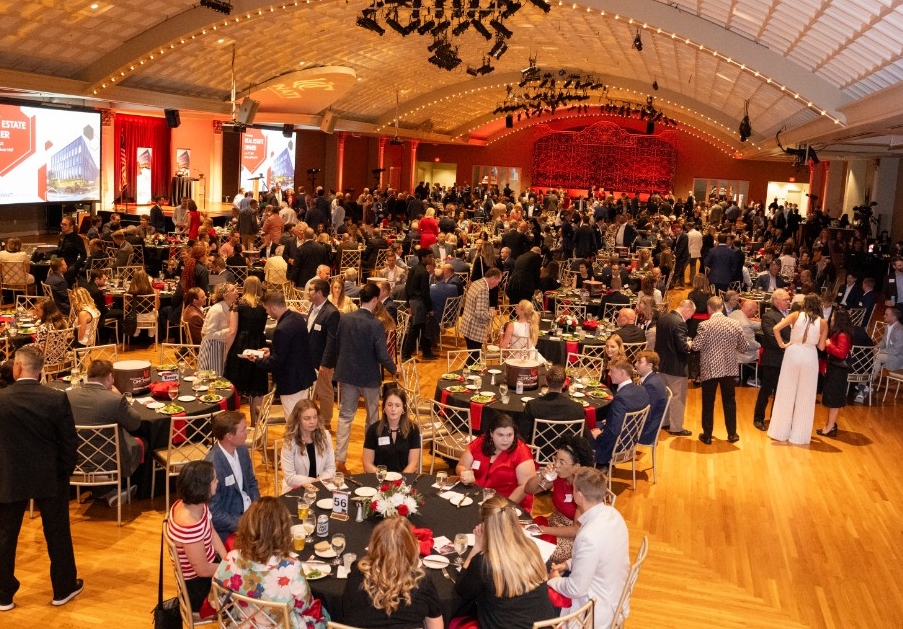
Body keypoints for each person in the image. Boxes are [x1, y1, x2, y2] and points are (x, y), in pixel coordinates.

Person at [0, 346, 81, 610]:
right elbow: (69, 442)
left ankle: (3, 595)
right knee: (57, 534)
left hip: (10, 476)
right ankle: (63, 588)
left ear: (17, 368)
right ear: (40, 370)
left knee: (5, 536)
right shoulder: (56, 399)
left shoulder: (2, 399)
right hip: (51, 476)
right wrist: (65, 473)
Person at [214, 497, 329, 629]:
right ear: (282, 532)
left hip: (242, 625)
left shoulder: (229, 560)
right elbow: (304, 607)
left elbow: (215, 602)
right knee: (325, 616)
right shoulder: (290, 568)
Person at [322, 282, 397, 473]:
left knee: (345, 417)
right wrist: (394, 369)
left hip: (347, 374)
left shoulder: (345, 318)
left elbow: (337, 343)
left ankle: (339, 460)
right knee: (372, 419)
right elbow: (382, 354)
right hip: (369, 377)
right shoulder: (375, 324)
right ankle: (370, 461)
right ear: (374, 300)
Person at [455, 495, 555, 629]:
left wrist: (477, 548)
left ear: (486, 527)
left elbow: (463, 590)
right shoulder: (531, 547)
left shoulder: (485, 562)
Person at [547, 467, 630, 629]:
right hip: (616, 593)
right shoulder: (614, 514)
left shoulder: (587, 536)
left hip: (594, 610)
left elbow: (576, 589)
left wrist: (554, 580)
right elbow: (599, 555)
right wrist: (568, 564)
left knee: (538, 600)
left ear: (579, 496)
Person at [339, 517, 443, 629]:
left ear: (373, 544)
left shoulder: (357, 570)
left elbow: (347, 613)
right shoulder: (422, 581)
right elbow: (436, 626)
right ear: (411, 547)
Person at [66, 359, 143, 503]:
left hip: (74, 459)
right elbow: (135, 424)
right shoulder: (115, 400)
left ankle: (104, 491)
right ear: (109, 378)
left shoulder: (68, 396)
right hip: (108, 462)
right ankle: (117, 489)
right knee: (140, 443)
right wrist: (120, 395)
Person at [523, 434, 595, 563]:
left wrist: (544, 530)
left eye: (562, 462)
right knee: (522, 537)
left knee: (536, 550)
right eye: (555, 459)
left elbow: (575, 530)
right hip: (554, 521)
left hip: (575, 536)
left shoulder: (582, 488)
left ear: (576, 467)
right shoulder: (559, 477)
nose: (556, 465)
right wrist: (542, 476)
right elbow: (528, 489)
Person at [166, 460, 226, 614]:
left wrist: (227, 558)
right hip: (198, 588)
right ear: (202, 487)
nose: (217, 481)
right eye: (213, 480)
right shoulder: (189, 524)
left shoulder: (194, 504)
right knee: (250, 589)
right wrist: (233, 568)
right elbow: (203, 570)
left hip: (209, 569)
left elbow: (211, 531)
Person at [767, 294, 828, 445]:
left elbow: (776, 328)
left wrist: (782, 344)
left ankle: (779, 432)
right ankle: (799, 436)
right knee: (806, 396)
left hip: (793, 352)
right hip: (809, 356)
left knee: (785, 392)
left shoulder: (795, 315)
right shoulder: (823, 322)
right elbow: (821, 347)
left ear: (804, 304)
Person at [246, 291, 317, 418]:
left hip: (291, 381)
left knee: (292, 419)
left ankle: (295, 439)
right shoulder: (296, 317)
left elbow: (275, 361)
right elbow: (292, 347)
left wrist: (256, 360)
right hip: (303, 376)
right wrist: (271, 350)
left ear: (273, 307)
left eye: (267, 309)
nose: (267, 313)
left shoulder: (282, 328)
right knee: (300, 417)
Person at [693, 296, 749, 445]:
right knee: (730, 401)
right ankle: (732, 434)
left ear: (709, 309)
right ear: (722, 308)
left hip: (710, 369)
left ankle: (707, 435)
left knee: (708, 402)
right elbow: (744, 346)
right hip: (729, 368)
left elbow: (696, 346)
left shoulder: (705, 325)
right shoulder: (734, 324)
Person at [456, 414, 537, 511]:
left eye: (509, 435)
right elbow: (461, 466)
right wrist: (464, 473)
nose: (505, 440)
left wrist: (503, 508)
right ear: (491, 433)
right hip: (476, 498)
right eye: (500, 435)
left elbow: (525, 486)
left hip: (509, 504)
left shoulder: (521, 452)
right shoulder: (480, 443)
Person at [204, 411, 260, 543]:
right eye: (243, 429)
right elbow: (215, 513)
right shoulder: (213, 466)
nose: (248, 432)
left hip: (251, 514)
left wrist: (257, 508)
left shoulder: (241, 450)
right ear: (229, 436)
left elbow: (251, 482)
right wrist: (244, 524)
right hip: (231, 527)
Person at [590, 360, 649, 465]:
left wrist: (599, 436)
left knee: (583, 432)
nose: (609, 374)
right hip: (631, 440)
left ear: (622, 373)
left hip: (617, 445)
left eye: (612, 371)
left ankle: (591, 471)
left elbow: (614, 431)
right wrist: (610, 420)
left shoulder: (620, 398)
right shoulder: (642, 390)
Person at [753, 289, 792, 431]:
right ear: (776, 301)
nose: (789, 301)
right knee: (766, 390)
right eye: (786, 299)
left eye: (789, 299)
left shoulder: (791, 315)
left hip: (788, 359)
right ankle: (758, 418)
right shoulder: (769, 316)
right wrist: (789, 345)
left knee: (783, 391)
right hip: (774, 359)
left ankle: (778, 418)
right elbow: (771, 337)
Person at [304, 279, 340, 430]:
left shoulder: (332, 313)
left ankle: (326, 421)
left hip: (322, 362)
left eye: (311, 289)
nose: (308, 292)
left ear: (319, 293)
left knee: (325, 391)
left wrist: (325, 364)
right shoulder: (313, 306)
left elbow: (332, 341)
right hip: (309, 359)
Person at [280, 399, 335, 493]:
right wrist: (313, 482)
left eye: (315, 417)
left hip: (322, 486)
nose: (312, 422)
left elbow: (331, 468)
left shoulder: (325, 436)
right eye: (307, 418)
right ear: (298, 420)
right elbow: (290, 478)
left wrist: (319, 482)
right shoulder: (289, 441)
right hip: (297, 489)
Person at [362, 386, 420, 474]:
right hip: (380, 479)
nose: (393, 409)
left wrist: (400, 480)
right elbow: (367, 464)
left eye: (397, 405)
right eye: (389, 405)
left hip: (404, 480)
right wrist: (383, 476)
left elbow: (413, 463)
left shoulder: (413, 429)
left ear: (403, 409)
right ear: (384, 408)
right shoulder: (373, 430)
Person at [818, 309, 853, 437]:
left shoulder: (842, 335)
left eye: (833, 316)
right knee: (832, 398)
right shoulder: (839, 333)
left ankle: (830, 426)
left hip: (838, 371)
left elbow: (841, 353)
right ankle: (830, 424)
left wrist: (829, 345)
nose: (831, 318)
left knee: (833, 400)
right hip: (834, 369)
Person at [402, 249, 437, 361]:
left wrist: (408, 303)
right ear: (423, 257)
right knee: (415, 329)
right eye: (429, 257)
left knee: (422, 327)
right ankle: (406, 355)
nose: (431, 259)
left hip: (413, 301)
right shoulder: (424, 272)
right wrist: (430, 308)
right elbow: (425, 292)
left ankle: (426, 351)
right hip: (420, 303)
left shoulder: (413, 269)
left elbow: (407, 287)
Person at [460, 267, 503, 356]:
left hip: (467, 326)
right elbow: (480, 314)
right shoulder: (483, 289)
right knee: (474, 359)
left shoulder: (476, 283)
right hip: (475, 329)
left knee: (473, 357)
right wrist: (492, 313)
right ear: (493, 278)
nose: (497, 284)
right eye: (498, 281)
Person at [634, 350, 669, 445]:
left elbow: (647, 414)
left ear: (650, 366)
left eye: (639, 362)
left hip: (645, 432)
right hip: (647, 426)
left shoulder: (651, 385)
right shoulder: (653, 379)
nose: (636, 364)